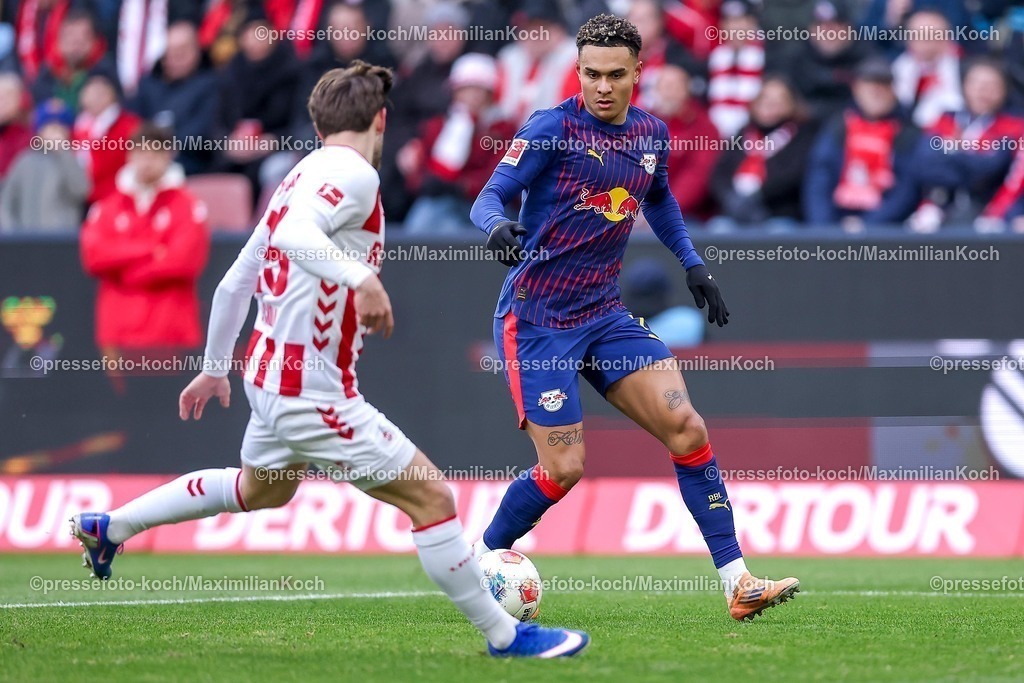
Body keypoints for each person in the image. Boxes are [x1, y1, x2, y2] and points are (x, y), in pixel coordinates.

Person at [71, 61, 589, 659]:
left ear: (317, 124)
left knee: (260, 491)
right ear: (381, 120)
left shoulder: (300, 173)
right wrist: (360, 279)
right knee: (433, 498)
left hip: (265, 374)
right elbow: (294, 236)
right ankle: (507, 637)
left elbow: (234, 282)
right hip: (308, 389)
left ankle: (110, 527)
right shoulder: (353, 173)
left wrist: (216, 366)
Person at [469, 14, 799, 622]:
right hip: (538, 321)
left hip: (604, 314)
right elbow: (487, 195)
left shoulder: (651, 133)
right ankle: (482, 558)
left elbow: (661, 199)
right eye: (590, 73)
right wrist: (497, 227)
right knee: (564, 467)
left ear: (638, 73)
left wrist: (695, 266)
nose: (601, 86)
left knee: (688, 429)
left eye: (614, 75)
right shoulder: (551, 128)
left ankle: (738, 581)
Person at [79, 123, 209, 351]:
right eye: (141, 152)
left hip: (170, 331)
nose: (147, 161)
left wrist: (124, 268)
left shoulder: (188, 206)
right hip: (117, 333)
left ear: (168, 155)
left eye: (155, 153)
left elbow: (183, 262)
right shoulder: (107, 206)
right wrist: (151, 249)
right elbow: (94, 257)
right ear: (130, 154)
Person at [400, 53, 516, 234]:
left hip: (486, 205)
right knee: (435, 219)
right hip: (442, 205)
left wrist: (460, 187)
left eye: (479, 89)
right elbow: (419, 171)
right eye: (466, 89)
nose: (473, 96)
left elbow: (501, 176)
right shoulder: (439, 126)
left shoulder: (503, 129)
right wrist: (425, 182)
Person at [803, 57, 920, 230]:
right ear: (856, 89)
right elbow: (819, 180)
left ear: (893, 91)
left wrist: (868, 226)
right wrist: (825, 228)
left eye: (883, 86)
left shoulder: (907, 132)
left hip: (887, 231)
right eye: (869, 85)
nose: (876, 92)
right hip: (834, 224)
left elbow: (907, 188)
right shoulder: (838, 127)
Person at [710, 76, 819, 227]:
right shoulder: (742, 134)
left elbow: (793, 176)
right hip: (734, 212)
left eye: (779, 99)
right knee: (718, 229)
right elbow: (720, 173)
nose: (770, 104)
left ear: (792, 104)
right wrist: (730, 198)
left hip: (779, 213)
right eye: (765, 98)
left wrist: (759, 195)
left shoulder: (802, 136)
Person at [1, 99, 89, 233]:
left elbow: (81, 190)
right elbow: (6, 201)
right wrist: (12, 232)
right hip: (26, 240)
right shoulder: (25, 160)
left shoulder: (73, 158)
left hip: (60, 240)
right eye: (49, 127)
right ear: (39, 132)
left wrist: (63, 152)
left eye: (60, 127)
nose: (55, 133)